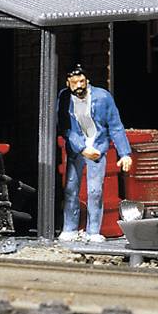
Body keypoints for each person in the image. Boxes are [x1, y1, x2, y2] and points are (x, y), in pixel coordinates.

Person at [54, 64, 131, 243]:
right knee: (71, 190)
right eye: (74, 83)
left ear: (87, 80)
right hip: (76, 149)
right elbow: (64, 127)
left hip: (97, 148)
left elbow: (116, 126)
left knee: (95, 191)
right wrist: (81, 148)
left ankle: (93, 230)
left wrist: (124, 153)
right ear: (68, 83)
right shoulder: (64, 97)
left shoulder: (103, 97)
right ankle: (70, 228)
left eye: (81, 81)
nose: (78, 86)